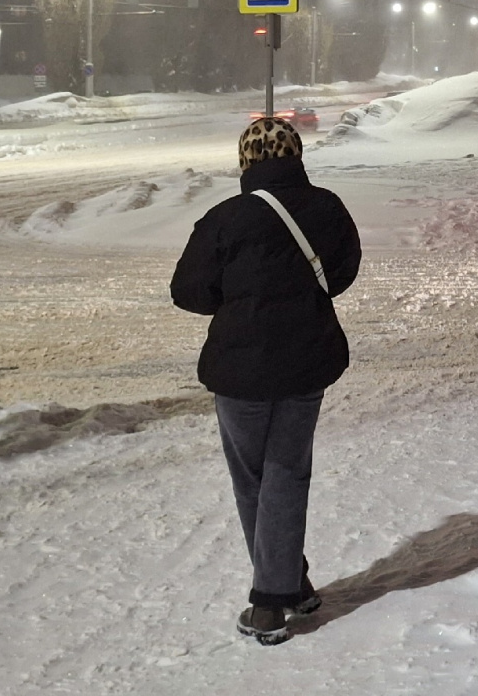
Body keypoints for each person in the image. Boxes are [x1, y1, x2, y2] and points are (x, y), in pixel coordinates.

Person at [170, 117, 362, 646]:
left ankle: (269, 603)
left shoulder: (224, 219)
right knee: (286, 473)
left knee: (256, 478)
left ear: (245, 161)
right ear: (296, 155)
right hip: (307, 361)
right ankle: (290, 584)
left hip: (239, 370)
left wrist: (237, 302)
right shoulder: (327, 207)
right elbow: (341, 276)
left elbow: (188, 291)